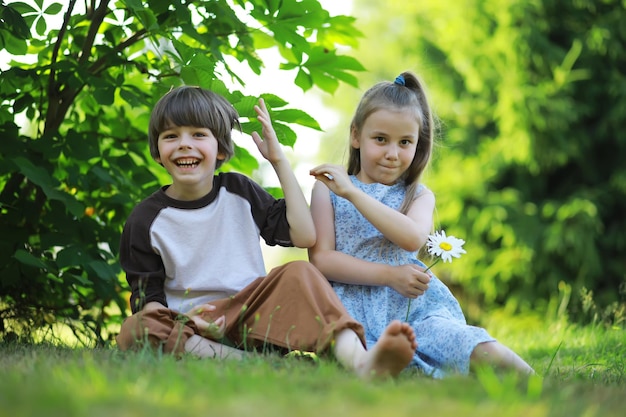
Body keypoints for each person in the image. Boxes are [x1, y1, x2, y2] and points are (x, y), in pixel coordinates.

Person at [115, 85, 417, 379]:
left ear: (220, 148)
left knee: (301, 271)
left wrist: (278, 160)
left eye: (198, 134)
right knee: (137, 328)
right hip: (192, 327)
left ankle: (361, 362)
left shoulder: (239, 191)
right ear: (157, 152)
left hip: (251, 316)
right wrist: (190, 322)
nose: (184, 144)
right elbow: (148, 299)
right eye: (171, 136)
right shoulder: (145, 220)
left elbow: (304, 236)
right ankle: (244, 362)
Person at [308, 71, 534, 378]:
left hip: (414, 309)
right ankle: (376, 363)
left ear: (418, 144)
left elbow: (412, 238)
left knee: (472, 345)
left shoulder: (418, 195)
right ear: (356, 135)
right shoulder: (328, 189)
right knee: (351, 343)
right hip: (349, 309)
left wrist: (354, 194)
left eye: (405, 142)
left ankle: (537, 382)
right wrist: (389, 274)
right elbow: (322, 259)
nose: (392, 153)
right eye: (380, 139)